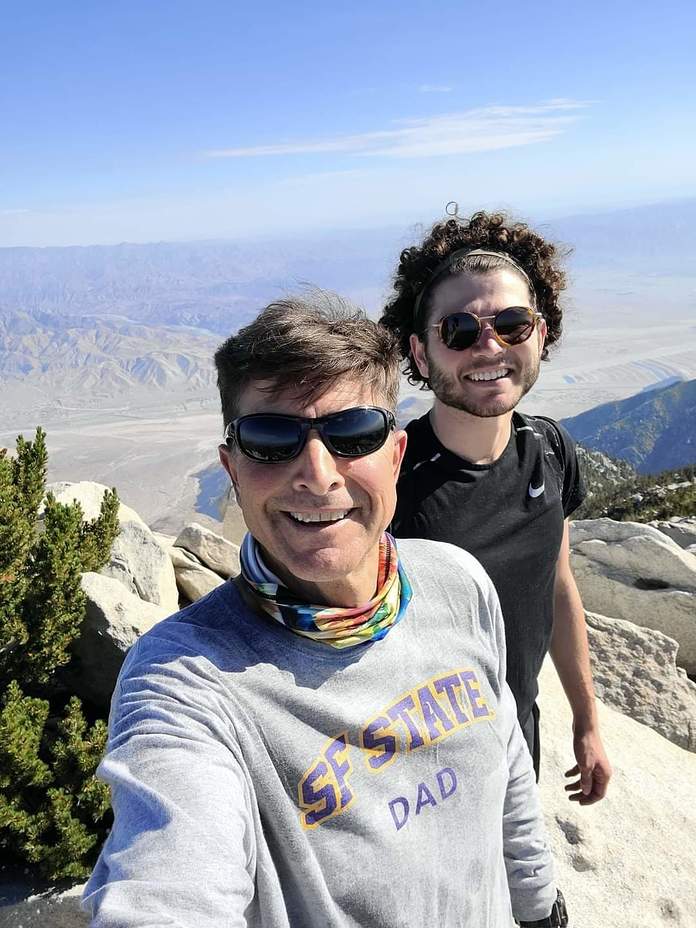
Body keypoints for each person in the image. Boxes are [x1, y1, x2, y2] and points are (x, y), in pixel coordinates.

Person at [82, 294, 566, 927]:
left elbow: (502, 759)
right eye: (270, 439)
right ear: (231, 467)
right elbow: (167, 890)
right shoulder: (186, 681)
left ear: (395, 454)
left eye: (351, 434)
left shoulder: (458, 583)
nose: (316, 473)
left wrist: (541, 908)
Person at [380, 207, 611, 801]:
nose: (489, 347)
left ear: (541, 334)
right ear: (421, 351)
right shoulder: (388, 484)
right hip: (423, 776)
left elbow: (556, 583)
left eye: (512, 324)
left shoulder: (551, 451)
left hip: (517, 742)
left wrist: (586, 721)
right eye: (459, 331)